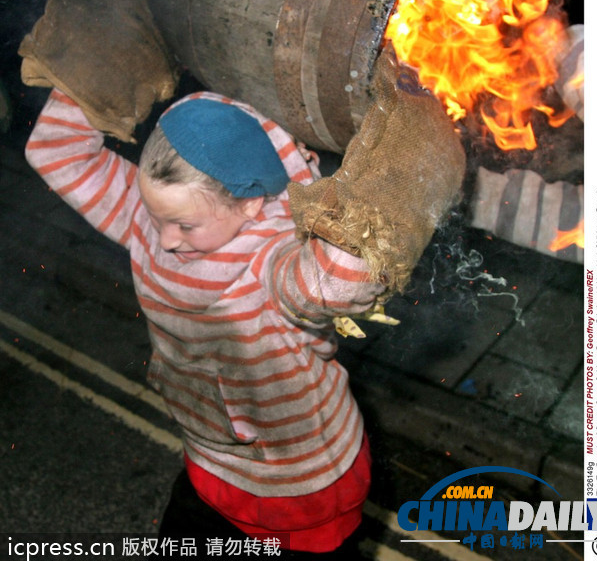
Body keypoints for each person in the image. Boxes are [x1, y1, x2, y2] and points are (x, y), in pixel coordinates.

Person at [23, 32, 465, 555]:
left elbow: (336, 282)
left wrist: (411, 136)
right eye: (156, 214)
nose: (163, 240)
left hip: (299, 489)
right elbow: (55, 150)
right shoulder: (152, 221)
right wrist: (106, 39)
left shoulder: (273, 258)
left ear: (250, 206)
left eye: (185, 225)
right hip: (211, 466)